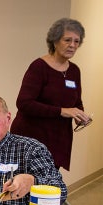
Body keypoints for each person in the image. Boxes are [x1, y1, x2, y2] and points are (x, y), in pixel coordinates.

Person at [11, 18, 91, 171]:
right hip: (31, 139)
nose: (72, 45)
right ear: (55, 41)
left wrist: (80, 116)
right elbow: (24, 103)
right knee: (27, 190)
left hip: (58, 141)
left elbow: (76, 103)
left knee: (48, 189)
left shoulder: (74, 71)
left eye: (76, 41)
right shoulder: (39, 67)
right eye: (67, 40)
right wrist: (62, 111)